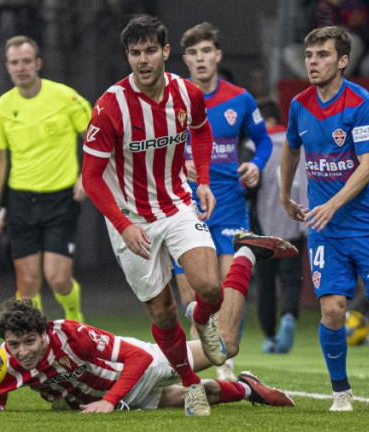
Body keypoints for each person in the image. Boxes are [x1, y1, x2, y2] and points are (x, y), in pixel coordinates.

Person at [81, 15, 297, 416]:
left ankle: (202, 318)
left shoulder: (187, 93)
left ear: (165, 52)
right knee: (162, 312)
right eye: (134, 53)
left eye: (149, 51)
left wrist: (201, 183)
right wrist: (125, 225)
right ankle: (191, 383)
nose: (142, 60)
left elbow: (201, 131)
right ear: (127, 56)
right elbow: (91, 178)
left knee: (210, 289)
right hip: (130, 218)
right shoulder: (110, 107)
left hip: (177, 203)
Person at [279, 26, 369, 412]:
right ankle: (341, 392)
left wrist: (333, 203)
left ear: (342, 61)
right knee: (333, 309)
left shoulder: (362, 102)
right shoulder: (300, 105)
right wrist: (286, 194)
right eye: (309, 56)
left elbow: (368, 168)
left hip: (368, 223)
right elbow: (290, 150)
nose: (313, 62)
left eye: (322, 55)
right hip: (326, 230)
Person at [0, 299, 294, 413]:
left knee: (225, 348)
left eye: (30, 341)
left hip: (145, 366)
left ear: (44, 333)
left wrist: (109, 401)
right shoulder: (8, 359)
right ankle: (248, 388)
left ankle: (246, 256)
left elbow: (136, 358)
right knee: (204, 394)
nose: (23, 351)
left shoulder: (71, 336)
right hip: (123, 396)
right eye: (15, 345)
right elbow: (3, 381)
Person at [174, 22, 274, 380]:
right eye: (193, 53)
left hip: (229, 201)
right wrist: (175, 160)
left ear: (218, 55)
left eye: (206, 51)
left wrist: (256, 165)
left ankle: (226, 361)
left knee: (230, 282)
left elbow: (263, 141)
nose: (200, 59)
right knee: (192, 293)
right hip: (184, 205)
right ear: (185, 58)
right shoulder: (175, 98)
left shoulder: (240, 99)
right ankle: (194, 370)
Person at [0, 35, 90, 321]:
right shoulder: (2, 107)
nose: (21, 67)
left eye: (26, 61)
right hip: (21, 200)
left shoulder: (66, 98)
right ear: (7, 66)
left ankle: (73, 317)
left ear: (38, 64)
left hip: (61, 197)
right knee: (28, 283)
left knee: (57, 279)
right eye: (14, 62)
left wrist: (86, 176)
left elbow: (97, 139)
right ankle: (37, 342)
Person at [244, 99, 308, 354]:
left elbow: (247, 186)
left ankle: (270, 336)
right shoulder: (298, 145)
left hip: (263, 225)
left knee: (266, 283)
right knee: (292, 279)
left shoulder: (254, 146)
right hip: (295, 220)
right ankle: (289, 316)